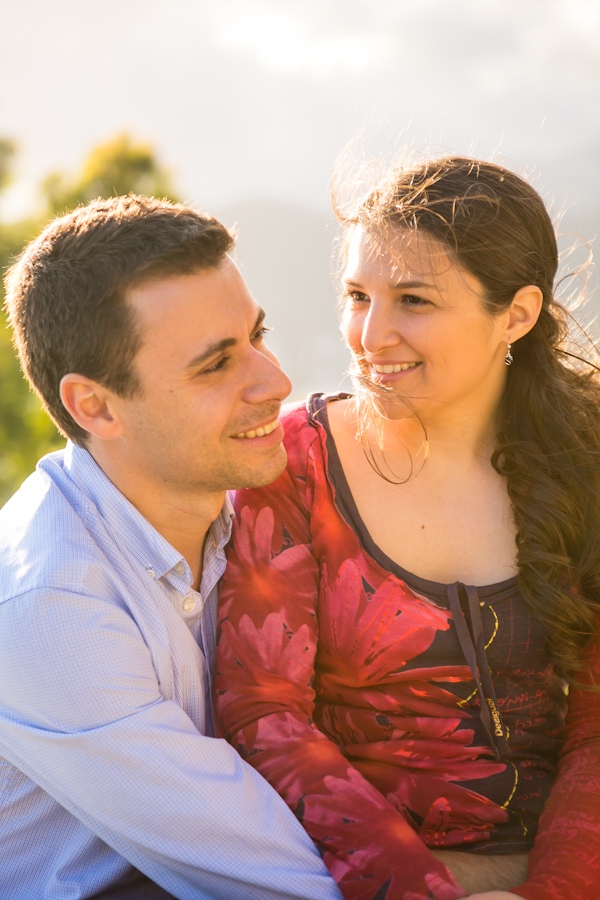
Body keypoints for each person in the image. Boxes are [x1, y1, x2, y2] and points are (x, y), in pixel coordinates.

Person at [215, 157, 600, 900]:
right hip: (368, 877)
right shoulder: (295, 464)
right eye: (357, 297)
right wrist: (424, 889)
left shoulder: (587, 459)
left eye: (414, 300)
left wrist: (547, 890)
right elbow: (264, 716)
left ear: (517, 315)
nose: (371, 335)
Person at [0, 195, 342, 899]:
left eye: (258, 335)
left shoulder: (268, 509)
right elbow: (278, 880)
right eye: (215, 366)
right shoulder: (50, 605)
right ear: (96, 406)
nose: (276, 383)